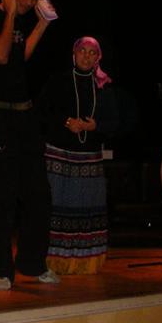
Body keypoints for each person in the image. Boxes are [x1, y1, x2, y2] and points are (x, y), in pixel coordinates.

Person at [0, 0, 60, 290]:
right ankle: (1, 270)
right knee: (3, 197)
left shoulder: (22, 21)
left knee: (39, 195)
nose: (28, 2)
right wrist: (10, 13)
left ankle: (33, 265)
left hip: (24, 117)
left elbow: (22, 56)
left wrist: (43, 22)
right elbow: (1, 54)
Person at [36, 36, 119, 274]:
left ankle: (86, 261)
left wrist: (95, 126)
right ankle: (51, 261)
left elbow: (115, 122)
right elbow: (41, 111)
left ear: (98, 58)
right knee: (55, 208)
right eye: (83, 51)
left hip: (89, 160)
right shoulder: (58, 81)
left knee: (87, 210)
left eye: (92, 53)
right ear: (74, 54)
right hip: (58, 157)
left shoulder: (103, 87)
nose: (86, 56)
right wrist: (66, 122)